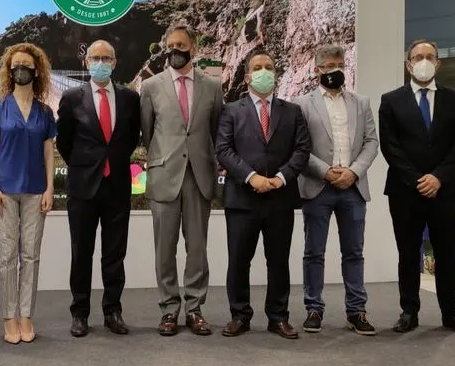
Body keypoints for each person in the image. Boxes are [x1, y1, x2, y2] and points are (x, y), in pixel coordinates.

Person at [378, 39, 455, 336]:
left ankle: (451, 313)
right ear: (408, 64)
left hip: (445, 190)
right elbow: (390, 147)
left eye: (429, 56)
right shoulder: (391, 100)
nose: (423, 61)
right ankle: (409, 312)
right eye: (417, 56)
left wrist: (438, 177)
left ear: (438, 63)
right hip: (405, 191)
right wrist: (417, 179)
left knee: (447, 254)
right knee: (407, 254)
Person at [215, 49, 311, 340]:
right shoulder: (231, 110)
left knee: (279, 261)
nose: (264, 71)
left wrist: (280, 178)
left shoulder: (292, 111)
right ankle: (240, 315)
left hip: (280, 199)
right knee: (239, 260)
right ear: (247, 77)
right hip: (242, 199)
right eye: (258, 67)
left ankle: (278, 317)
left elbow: (302, 150)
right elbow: (223, 150)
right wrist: (252, 177)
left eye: (269, 66)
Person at [140, 23, 224, 337]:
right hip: (164, 176)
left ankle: (195, 309)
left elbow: (215, 131)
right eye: (170, 45)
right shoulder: (151, 87)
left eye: (181, 45)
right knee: (164, 249)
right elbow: (148, 133)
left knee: (197, 249)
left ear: (194, 48)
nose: (175, 50)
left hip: (199, 177)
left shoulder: (213, 87)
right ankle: (168, 310)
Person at [56, 40, 141, 337]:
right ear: (87, 62)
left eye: (107, 57)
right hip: (82, 188)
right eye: (96, 58)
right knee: (82, 253)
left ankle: (113, 311)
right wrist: (85, 165)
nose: (101, 62)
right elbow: (63, 142)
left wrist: (111, 162)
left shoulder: (130, 99)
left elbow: (131, 139)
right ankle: (80, 313)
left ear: (115, 63)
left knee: (114, 254)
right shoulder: (70, 98)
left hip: (117, 186)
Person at [295, 44, 379, 336]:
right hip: (318, 187)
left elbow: (371, 142)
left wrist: (353, 172)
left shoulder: (361, 102)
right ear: (317, 69)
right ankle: (313, 308)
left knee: (354, 252)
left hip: (353, 188)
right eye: (328, 66)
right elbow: (299, 147)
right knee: (313, 252)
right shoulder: (302, 104)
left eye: (339, 64)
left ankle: (356, 311)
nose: (335, 70)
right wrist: (326, 171)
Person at [0, 43, 56, 345]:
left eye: (26, 65)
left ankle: (26, 315)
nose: (20, 70)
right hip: (4, 191)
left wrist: (50, 187)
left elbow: (49, 152)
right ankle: (8, 318)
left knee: (31, 256)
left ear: (36, 70)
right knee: (6, 257)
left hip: (35, 191)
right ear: (9, 70)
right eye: (15, 66)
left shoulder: (45, 111)